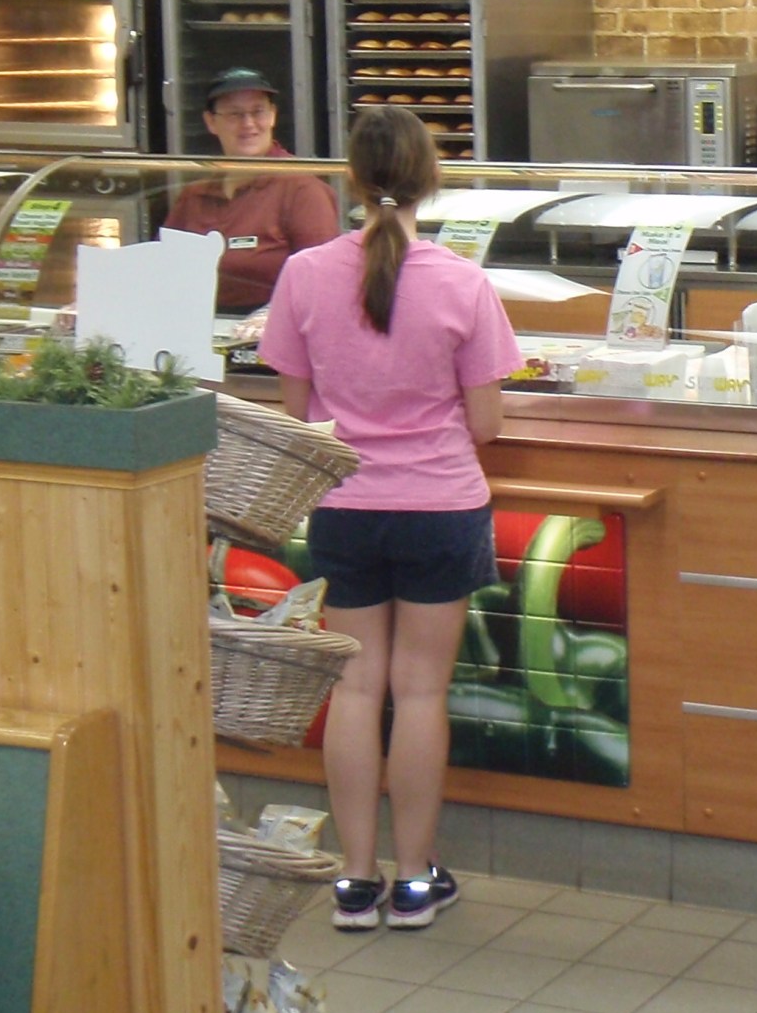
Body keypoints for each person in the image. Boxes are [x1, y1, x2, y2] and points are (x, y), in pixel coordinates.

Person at [258, 107, 521, 931]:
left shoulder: (303, 274)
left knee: (356, 688)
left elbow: (298, 411)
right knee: (419, 692)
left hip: (344, 510)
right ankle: (413, 881)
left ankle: (354, 879)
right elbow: (488, 424)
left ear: (350, 180)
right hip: (440, 506)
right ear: (429, 180)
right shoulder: (460, 280)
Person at [162, 67, 340, 313]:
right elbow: (165, 268)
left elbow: (322, 282)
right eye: (235, 114)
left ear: (273, 116)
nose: (249, 124)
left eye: (258, 112)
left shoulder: (301, 189)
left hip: (273, 334)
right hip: (197, 327)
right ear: (211, 122)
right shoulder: (195, 195)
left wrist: (268, 317)